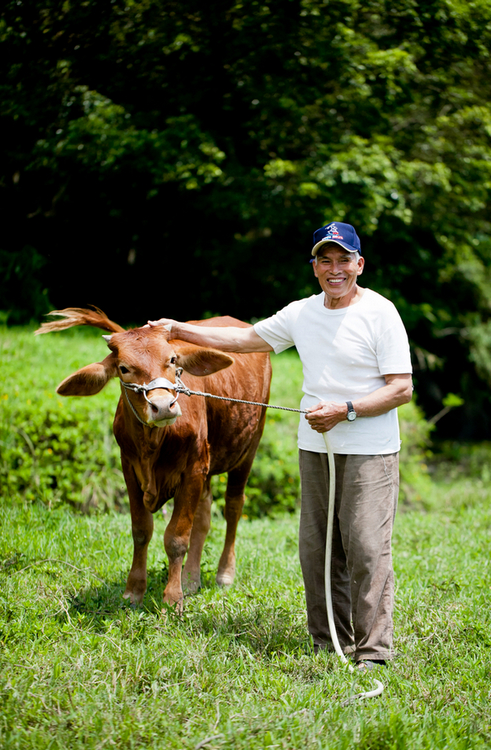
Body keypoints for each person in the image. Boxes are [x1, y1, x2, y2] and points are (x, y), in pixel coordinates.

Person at [148, 221, 412, 669]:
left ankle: (373, 653)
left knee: (366, 547)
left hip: (370, 450)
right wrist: (180, 328)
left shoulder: (381, 313)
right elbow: (245, 338)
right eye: (325, 260)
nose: (335, 269)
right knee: (316, 549)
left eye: (343, 259)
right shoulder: (302, 313)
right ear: (314, 267)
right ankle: (328, 640)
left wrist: (345, 409)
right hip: (315, 447)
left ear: (359, 264)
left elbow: (401, 389)